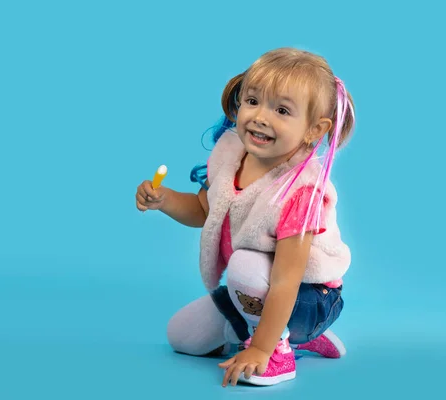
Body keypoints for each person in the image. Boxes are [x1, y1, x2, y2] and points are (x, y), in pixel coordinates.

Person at [135, 47, 356, 387]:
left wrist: (261, 350)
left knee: (245, 265)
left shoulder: (301, 189)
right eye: (253, 101)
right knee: (182, 337)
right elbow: (205, 211)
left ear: (314, 129)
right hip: (252, 292)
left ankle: (279, 346)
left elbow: (285, 280)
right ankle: (263, 331)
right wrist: (164, 200)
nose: (260, 117)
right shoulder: (233, 155)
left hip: (307, 299)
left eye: (282, 110)